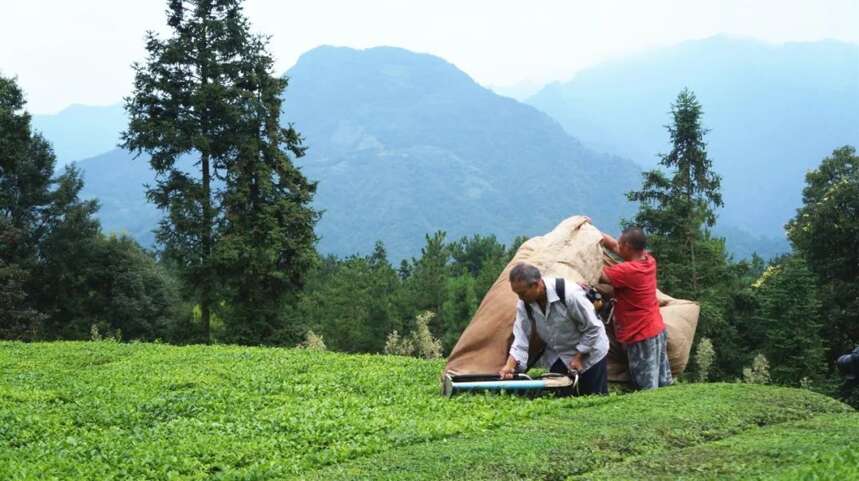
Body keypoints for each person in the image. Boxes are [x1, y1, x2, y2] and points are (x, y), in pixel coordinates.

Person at [499, 262, 610, 396]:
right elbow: (521, 336)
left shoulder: (570, 294)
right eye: (517, 293)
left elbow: (593, 328)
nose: (520, 297)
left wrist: (579, 356)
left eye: (522, 293)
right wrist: (510, 365)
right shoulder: (525, 304)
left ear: (536, 285)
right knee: (560, 396)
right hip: (561, 354)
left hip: (590, 352)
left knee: (593, 397)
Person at [599, 227, 672, 389]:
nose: (617, 245)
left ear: (628, 247)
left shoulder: (628, 271)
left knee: (645, 386)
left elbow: (600, 275)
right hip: (656, 328)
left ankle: (649, 412)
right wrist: (594, 234)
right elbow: (615, 247)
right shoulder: (648, 260)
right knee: (662, 381)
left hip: (641, 334)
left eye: (621, 243)